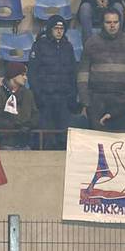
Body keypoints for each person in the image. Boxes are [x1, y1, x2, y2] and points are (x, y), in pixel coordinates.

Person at [77, 8, 125, 131]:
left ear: (120, 23)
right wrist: (85, 100)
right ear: (102, 24)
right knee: (97, 142)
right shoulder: (91, 43)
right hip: (97, 99)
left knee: (119, 142)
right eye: (108, 22)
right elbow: (83, 72)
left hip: (123, 100)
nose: (112, 25)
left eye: (115, 22)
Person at [27, 15, 77, 150]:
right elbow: (32, 73)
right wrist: (38, 96)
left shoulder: (68, 47)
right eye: (56, 28)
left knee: (64, 139)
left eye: (62, 28)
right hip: (45, 100)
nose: (59, 31)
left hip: (64, 100)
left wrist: (72, 95)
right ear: (50, 29)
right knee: (47, 139)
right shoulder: (39, 46)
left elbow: (73, 73)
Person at [0, 62, 39, 149]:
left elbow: (35, 115)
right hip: (6, 142)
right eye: (22, 74)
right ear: (13, 75)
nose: (25, 78)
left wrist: (28, 125)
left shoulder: (28, 94)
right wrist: (15, 126)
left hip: (25, 143)